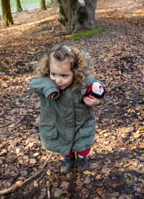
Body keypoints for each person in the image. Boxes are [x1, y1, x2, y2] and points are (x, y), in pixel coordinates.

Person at [30, 44, 108, 173]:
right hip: (58, 124)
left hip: (81, 124)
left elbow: (103, 92)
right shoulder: (46, 83)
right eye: (53, 74)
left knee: (83, 147)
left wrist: (98, 101)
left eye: (64, 76)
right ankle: (69, 159)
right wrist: (50, 88)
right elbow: (34, 83)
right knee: (63, 146)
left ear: (75, 72)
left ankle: (82, 159)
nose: (58, 80)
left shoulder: (85, 82)